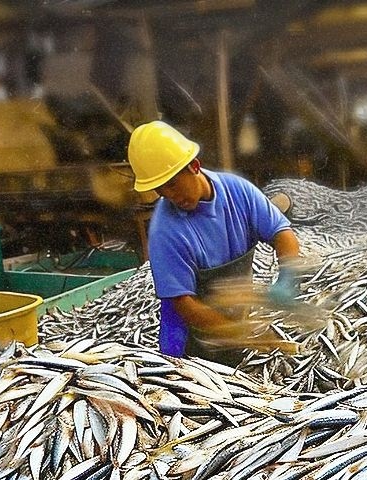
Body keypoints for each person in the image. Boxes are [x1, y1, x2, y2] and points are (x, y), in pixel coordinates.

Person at [128, 120, 301, 363]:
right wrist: (240, 333)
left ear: (194, 166)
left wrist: (288, 277)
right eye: (160, 190)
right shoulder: (165, 231)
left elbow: (282, 234)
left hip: (233, 325)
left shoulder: (238, 191)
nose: (171, 196)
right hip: (189, 338)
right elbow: (184, 304)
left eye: (173, 184)